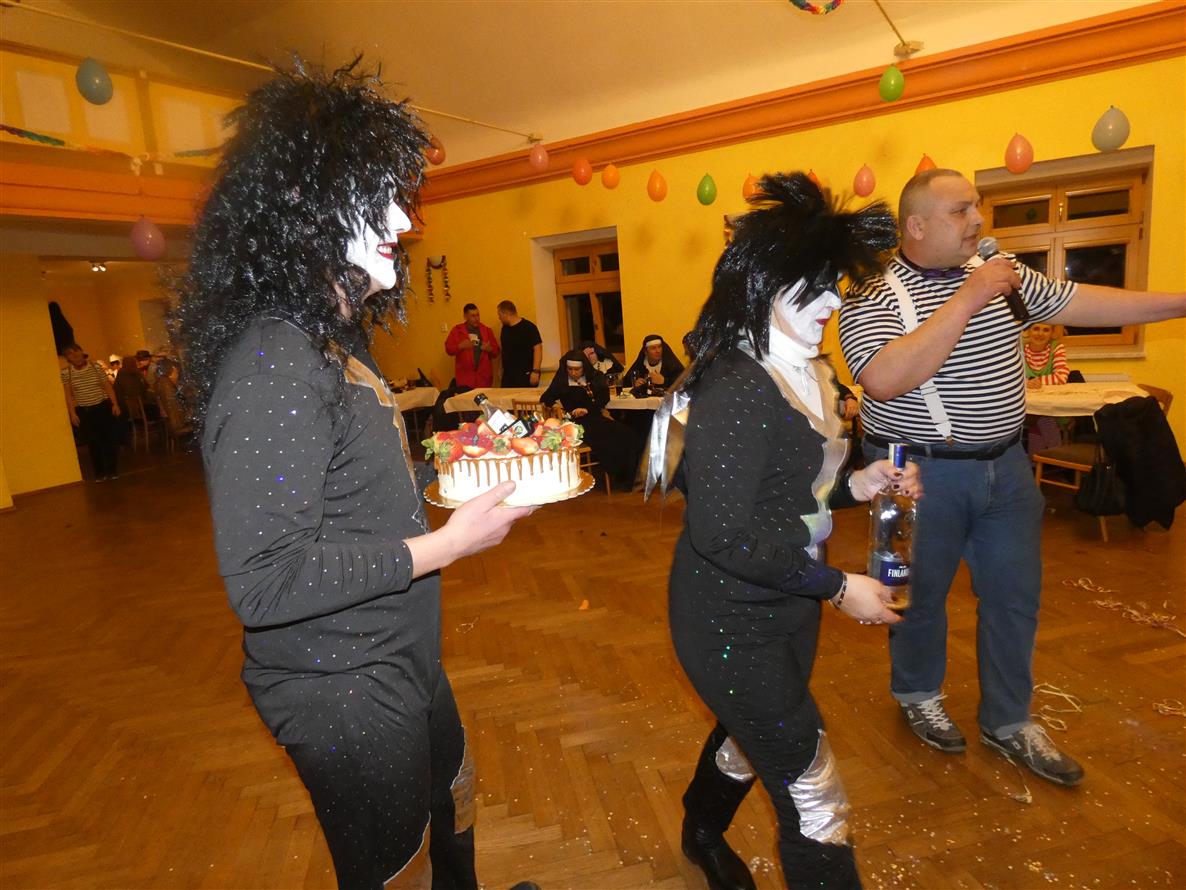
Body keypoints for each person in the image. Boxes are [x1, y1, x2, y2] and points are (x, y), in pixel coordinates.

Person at [174, 59, 537, 890]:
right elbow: (264, 581)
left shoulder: (328, 341)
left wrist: (454, 461)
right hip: (340, 686)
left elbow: (351, 480)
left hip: (396, 651)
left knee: (452, 802)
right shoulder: (273, 361)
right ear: (304, 204)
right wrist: (448, 545)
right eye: (377, 197)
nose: (403, 219)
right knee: (396, 867)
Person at [839, 168, 1186, 788]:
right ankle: (917, 694)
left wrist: (1179, 302)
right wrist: (968, 298)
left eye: (976, 207)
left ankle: (1009, 719)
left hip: (1007, 467)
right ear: (916, 226)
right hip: (912, 473)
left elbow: (1079, 300)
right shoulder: (871, 291)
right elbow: (884, 378)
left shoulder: (1001, 275)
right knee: (914, 597)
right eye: (960, 210)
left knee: (1014, 597)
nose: (978, 220)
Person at [649, 172, 918, 890]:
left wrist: (861, 484)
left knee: (750, 739)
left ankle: (701, 831)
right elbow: (722, 535)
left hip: (789, 604)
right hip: (728, 618)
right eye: (817, 286)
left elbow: (795, 494)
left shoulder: (808, 371)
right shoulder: (737, 386)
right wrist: (837, 587)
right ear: (766, 284)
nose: (834, 301)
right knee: (815, 794)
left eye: (836, 285)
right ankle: (710, 834)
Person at [541, 350, 643, 490]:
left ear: (584, 368)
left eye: (577, 369)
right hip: (576, 425)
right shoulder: (562, 381)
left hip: (596, 418)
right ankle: (619, 477)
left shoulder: (595, 377)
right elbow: (546, 398)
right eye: (570, 369)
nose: (573, 372)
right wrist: (560, 409)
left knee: (628, 434)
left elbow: (603, 398)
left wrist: (587, 409)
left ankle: (629, 477)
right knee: (608, 440)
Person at [61, 342, 122, 480]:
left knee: (108, 439)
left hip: (103, 407)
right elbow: (69, 395)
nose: (74, 355)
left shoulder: (96, 367)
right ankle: (99, 473)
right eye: (69, 354)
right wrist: (72, 413)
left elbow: (107, 387)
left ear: (81, 351)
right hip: (85, 410)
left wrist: (115, 404)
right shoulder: (66, 373)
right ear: (67, 358)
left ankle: (112, 470)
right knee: (93, 442)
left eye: (76, 351)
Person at [1023, 322, 1070, 451]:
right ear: (1028, 331)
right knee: (1039, 417)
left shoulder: (1056, 347)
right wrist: (1027, 382)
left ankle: (1039, 458)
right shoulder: (1019, 348)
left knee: (1042, 417)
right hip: (1027, 407)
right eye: (1036, 328)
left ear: (1052, 333)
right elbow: (1011, 375)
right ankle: (1054, 454)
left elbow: (1061, 377)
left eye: (1046, 330)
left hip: (1052, 406)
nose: (1040, 333)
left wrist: (1035, 381)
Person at [446, 303, 499, 389]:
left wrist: (489, 349)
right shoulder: (457, 331)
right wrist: (460, 346)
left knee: (483, 398)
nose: (476, 318)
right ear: (465, 316)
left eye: (478, 315)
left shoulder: (487, 330)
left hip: (483, 378)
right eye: (473, 316)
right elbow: (449, 349)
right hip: (465, 378)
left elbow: (496, 352)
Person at [496, 300, 542, 387]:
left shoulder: (529, 327)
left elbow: (538, 348)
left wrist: (536, 371)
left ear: (505, 313)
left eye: (500, 315)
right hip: (508, 376)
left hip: (525, 374)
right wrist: (500, 368)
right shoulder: (505, 329)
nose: (499, 318)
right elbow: (503, 349)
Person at [153, 357, 193, 440]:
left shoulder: (158, 383)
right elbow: (174, 410)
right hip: (176, 425)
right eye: (176, 373)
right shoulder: (167, 386)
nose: (177, 375)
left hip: (167, 422)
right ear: (169, 374)